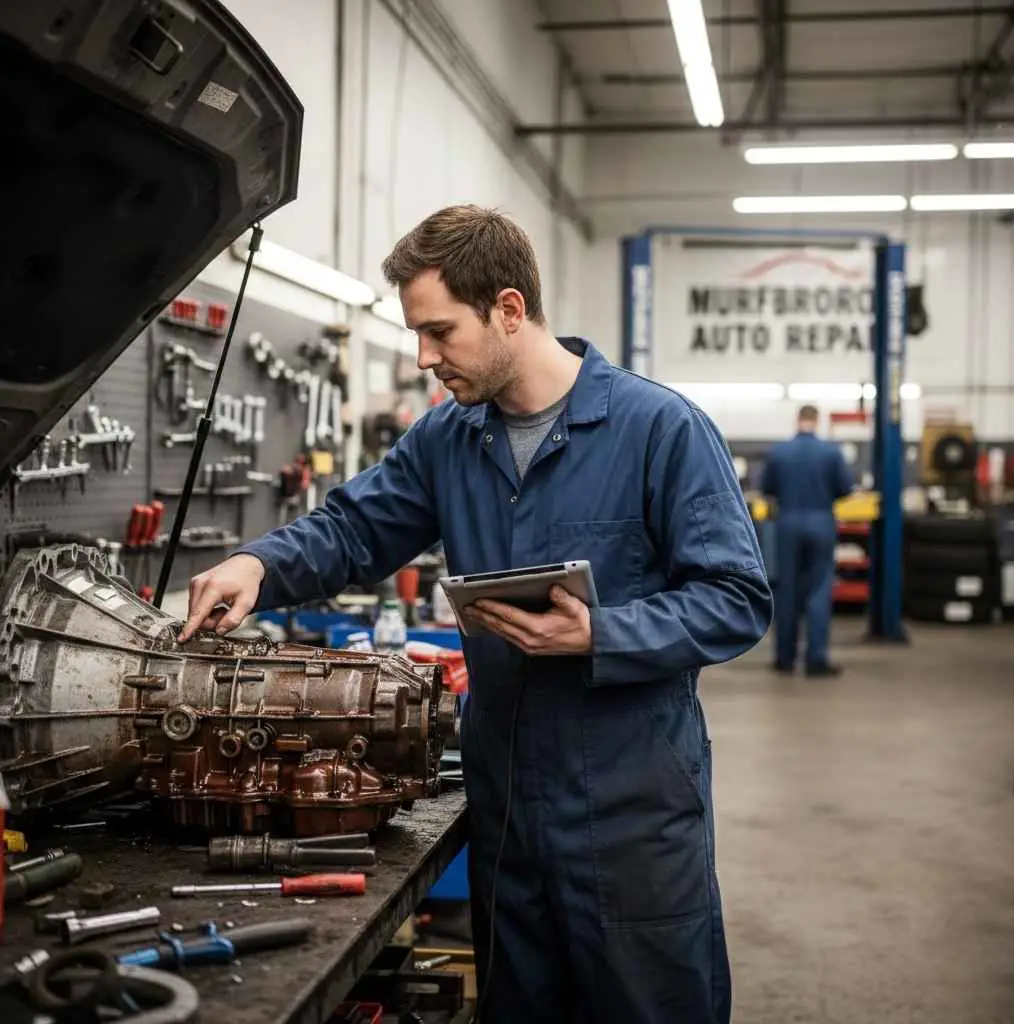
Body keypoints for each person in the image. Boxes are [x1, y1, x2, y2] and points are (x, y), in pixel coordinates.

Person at [178, 205, 773, 1024]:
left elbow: (736, 600)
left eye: (439, 332)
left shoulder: (659, 430)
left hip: (632, 811)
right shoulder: (448, 440)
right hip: (508, 809)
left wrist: (600, 632)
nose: (425, 358)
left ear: (509, 310)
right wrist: (259, 561)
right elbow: (354, 528)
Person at [761, 404, 855, 677]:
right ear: (817, 421)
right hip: (821, 522)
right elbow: (845, 488)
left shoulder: (779, 452)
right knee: (818, 591)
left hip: (787, 522)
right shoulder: (831, 452)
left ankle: (784, 658)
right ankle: (816, 659)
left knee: (787, 590)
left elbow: (767, 487)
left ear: (797, 420)